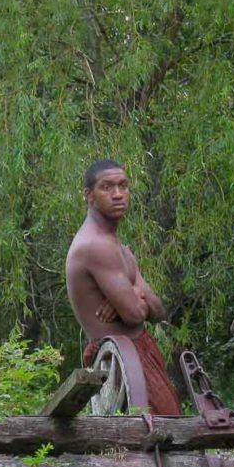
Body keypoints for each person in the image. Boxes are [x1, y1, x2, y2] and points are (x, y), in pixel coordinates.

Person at [65, 159, 181, 415]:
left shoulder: (121, 249)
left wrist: (133, 292)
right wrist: (133, 296)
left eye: (123, 186)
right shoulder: (96, 245)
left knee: (171, 425)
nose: (118, 194)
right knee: (164, 429)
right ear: (89, 195)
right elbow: (135, 314)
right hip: (121, 361)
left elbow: (158, 311)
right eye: (107, 187)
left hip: (139, 351)